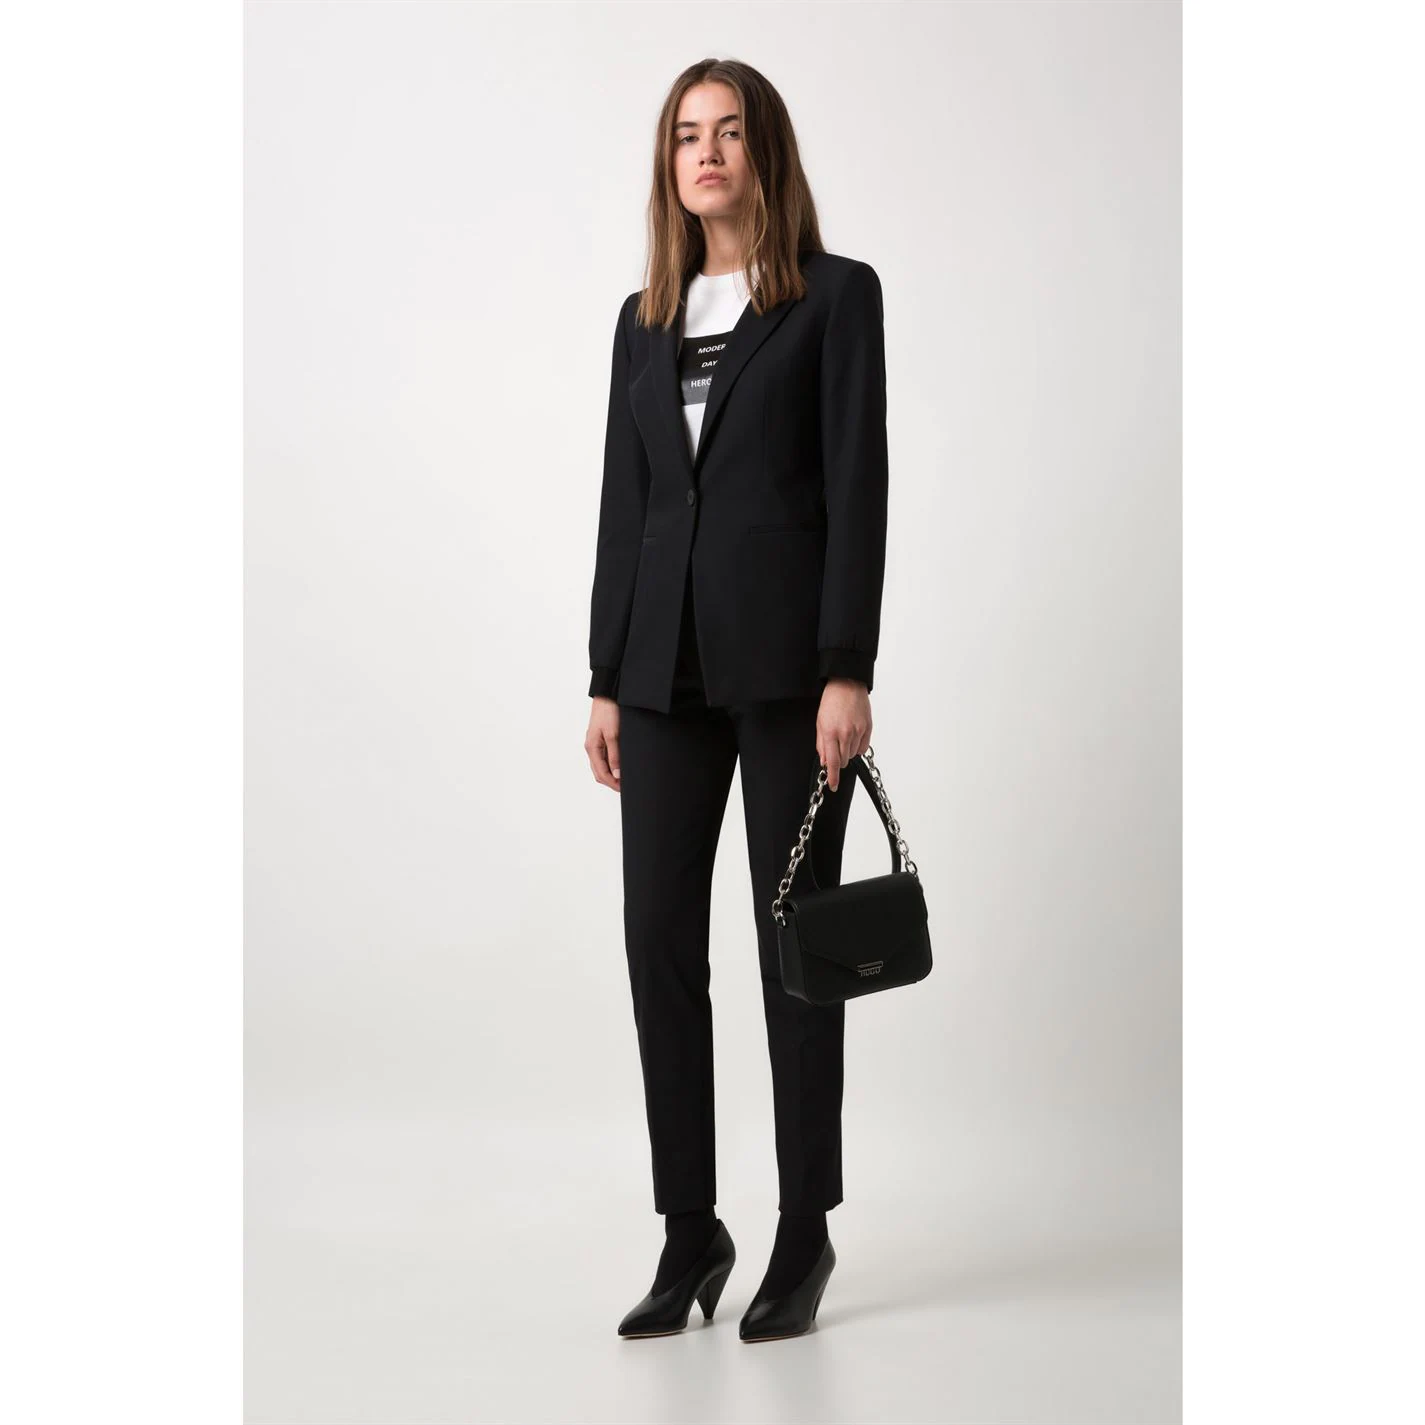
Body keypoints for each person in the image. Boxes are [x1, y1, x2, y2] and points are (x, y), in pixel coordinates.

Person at [583, 57, 889, 1343]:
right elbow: (629, 503)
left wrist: (847, 666)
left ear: (765, 152)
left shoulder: (834, 297)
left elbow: (858, 486)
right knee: (658, 942)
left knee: (794, 949)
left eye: (726, 132)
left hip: (786, 673)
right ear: (670, 165)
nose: (703, 153)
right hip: (662, 673)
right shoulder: (644, 318)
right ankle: (689, 1229)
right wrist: (606, 677)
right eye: (684, 136)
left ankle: (803, 1227)